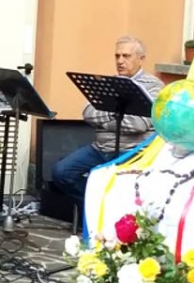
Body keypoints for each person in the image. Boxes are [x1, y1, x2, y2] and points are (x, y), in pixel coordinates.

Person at [51, 36, 162, 208]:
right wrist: (117, 117)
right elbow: (88, 113)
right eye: (117, 56)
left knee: (119, 183)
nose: (120, 61)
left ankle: (107, 213)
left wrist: (104, 117)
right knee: (62, 172)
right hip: (100, 148)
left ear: (141, 59)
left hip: (132, 151)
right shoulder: (108, 83)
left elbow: (138, 124)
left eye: (126, 56)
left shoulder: (153, 86)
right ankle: (96, 208)